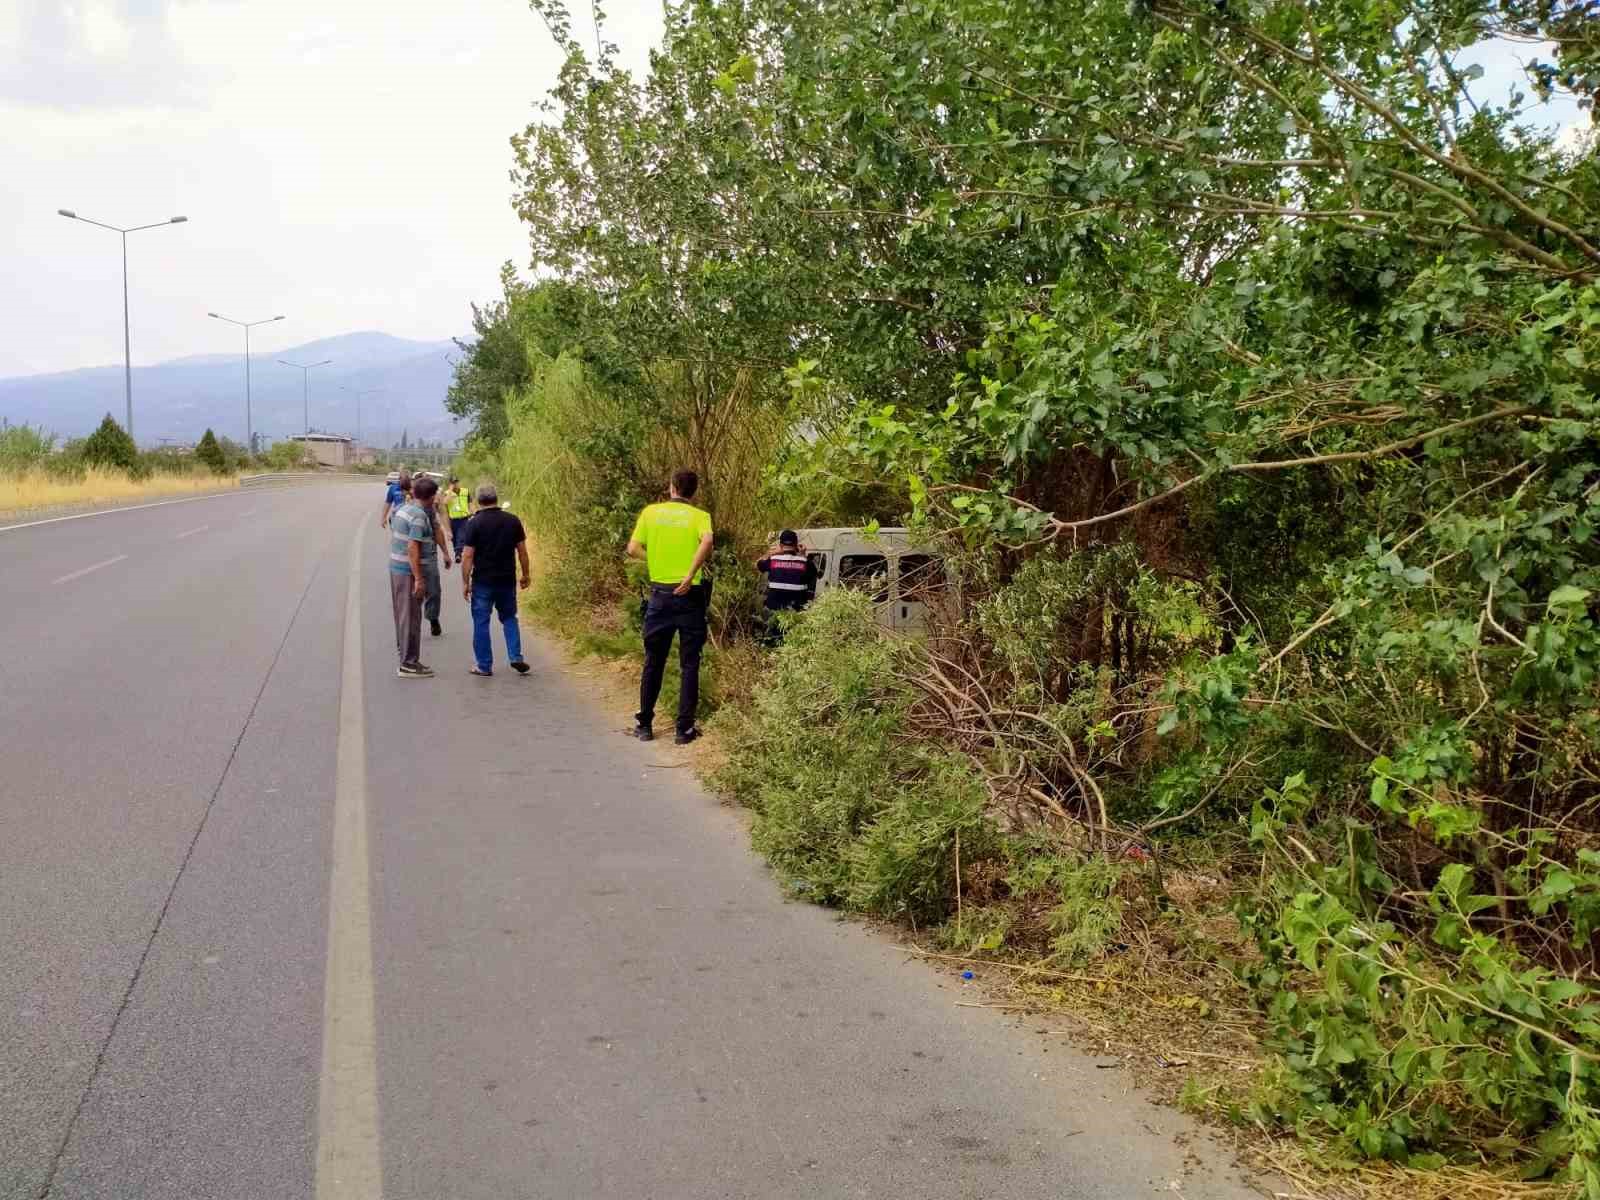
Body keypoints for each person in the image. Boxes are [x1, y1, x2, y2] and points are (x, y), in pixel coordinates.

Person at [627, 469, 714, 744]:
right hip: (690, 596)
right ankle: (683, 729)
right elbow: (708, 541)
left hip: (660, 595)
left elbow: (632, 548)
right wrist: (690, 574)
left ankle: (644, 725)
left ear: (672, 487)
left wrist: (655, 559)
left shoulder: (651, 513)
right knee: (690, 664)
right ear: (693, 491)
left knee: (654, 661)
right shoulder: (700, 516)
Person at [458, 484, 530, 677]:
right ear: (496, 499)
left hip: (483, 581)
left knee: (481, 621)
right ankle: (515, 656)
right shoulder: (512, 521)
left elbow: (467, 556)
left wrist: (465, 582)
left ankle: (484, 665)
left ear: (478, 501)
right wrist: (525, 574)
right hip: (506, 580)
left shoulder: (474, 523)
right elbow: (522, 551)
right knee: (509, 618)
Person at [388, 478, 437, 677]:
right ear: (432, 497)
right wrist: (418, 578)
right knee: (411, 617)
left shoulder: (402, 509)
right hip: (408, 572)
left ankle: (404, 656)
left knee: (403, 615)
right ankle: (409, 664)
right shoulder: (418, 516)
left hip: (396, 569)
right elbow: (412, 547)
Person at [756, 529, 818, 645]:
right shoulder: (805, 562)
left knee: (772, 643)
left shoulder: (773, 560)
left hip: (774, 613)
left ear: (780, 545)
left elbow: (758, 564)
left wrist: (772, 553)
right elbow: (813, 576)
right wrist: (803, 555)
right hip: (796, 614)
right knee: (794, 644)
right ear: (796, 545)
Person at [419, 476, 455, 637]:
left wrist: (446, 553)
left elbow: (437, 530)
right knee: (412, 594)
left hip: (429, 557)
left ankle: (433, 618)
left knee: (433, 591)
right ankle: (411, 626)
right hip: (409, 559)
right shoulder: (407, 510)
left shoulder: (429, 510)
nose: (436, 498)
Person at [445, 477, 472, 556]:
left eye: (456, 482)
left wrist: (472, 512)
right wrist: (450, 491)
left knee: (461, 535)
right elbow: (445, 502)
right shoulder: (447, 493)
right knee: (454, 538)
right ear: (450, 484)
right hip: (453, 519)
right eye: (453, 483)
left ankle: (458, 553)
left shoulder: (465, 491)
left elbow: (470, 503)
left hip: (464, 518)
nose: (455, 484)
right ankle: (457, 551)